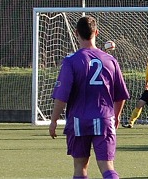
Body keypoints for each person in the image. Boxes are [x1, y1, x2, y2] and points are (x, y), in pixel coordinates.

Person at [49, 16, 130, 179]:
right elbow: (120, 95)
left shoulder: (71, 61)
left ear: (76, 33)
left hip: (79, 120)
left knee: (80, 168)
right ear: (96, 32)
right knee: (107, 167)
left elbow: (62, 95)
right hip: (104, 118)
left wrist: (54, 120)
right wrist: (116, 116)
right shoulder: (110, 60)